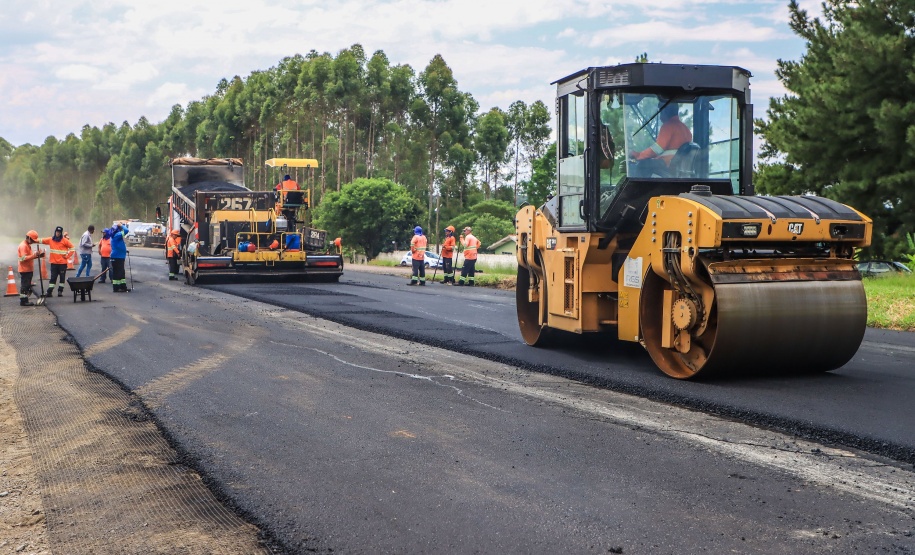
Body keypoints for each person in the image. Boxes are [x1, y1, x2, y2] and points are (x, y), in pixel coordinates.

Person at [629, 103, 692, 176]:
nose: (660, 115)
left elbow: (658, 149)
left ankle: (639, 187)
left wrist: (639, 155)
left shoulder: (668, 126)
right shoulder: (685, 129)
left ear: (665, 111)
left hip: (668, 164)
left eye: (660, 111)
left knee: (643, 164)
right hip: (677, 166)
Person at [40, 226, 74, 297]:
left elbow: (72, 248)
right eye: (57, 232)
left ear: (61, 233)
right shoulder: (51, 240)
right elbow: (42, 240)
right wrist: (33, 240)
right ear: (55, 232)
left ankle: (60, 291)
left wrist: (67, 256)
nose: (58, 233)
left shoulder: (64, 240)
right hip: (54, 263)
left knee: (62, 278)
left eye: (59, 232)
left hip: (62, 264)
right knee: (53, 278)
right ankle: (49, 291)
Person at [16, 230, 45, 306]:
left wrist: (38, 256)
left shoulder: (28, 245)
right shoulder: (23, 246)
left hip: (28, 269)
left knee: (27, 285)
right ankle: (23, 301)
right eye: (32, 240)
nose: (33, 242)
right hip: (24, 269)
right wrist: (34, 255)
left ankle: (25, 299)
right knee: (25, 286)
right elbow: (24, 258)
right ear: (28, 238)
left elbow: (29, 258)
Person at [110, 223, 129, 292]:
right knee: (119, 272)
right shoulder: (117, 235)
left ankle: (120, 287)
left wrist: (125, 250)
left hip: (117, 256)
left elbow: (118, 245)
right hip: (118, 257)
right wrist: (121, 225)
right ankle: (119, 287)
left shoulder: (114, 236)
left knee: (118, 272)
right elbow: (126, 230)